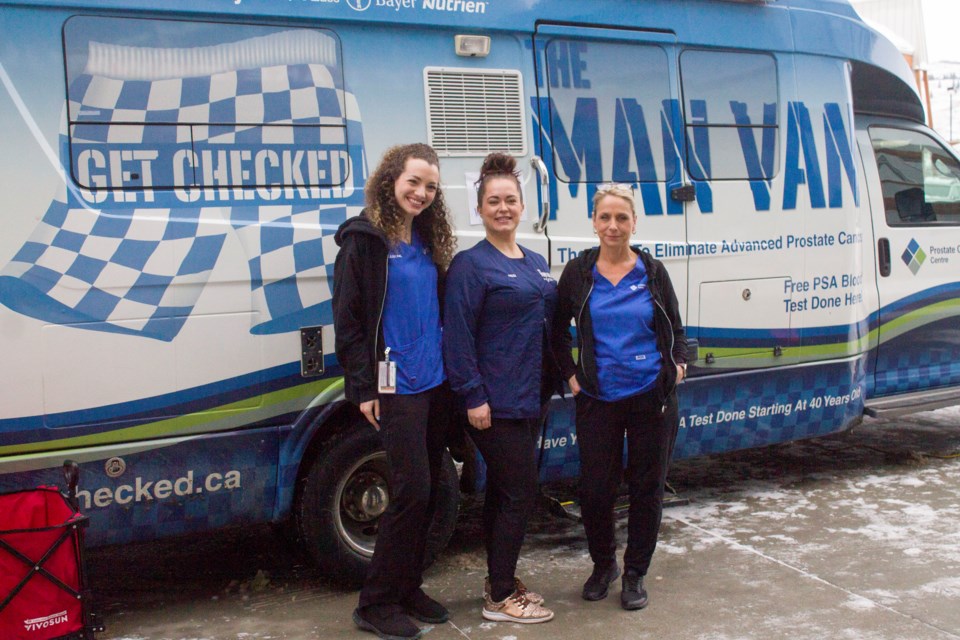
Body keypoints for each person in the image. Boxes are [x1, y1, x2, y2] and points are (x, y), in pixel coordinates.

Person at [332, 143, 456, 640]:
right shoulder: (363, 241)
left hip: (433, 381)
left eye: (430, 186)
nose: (422, 193)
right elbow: (349, 321)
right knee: (412, 490)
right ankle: (375, 601)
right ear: (391, 179)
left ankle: (407, 586)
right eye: (414, 182)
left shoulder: (426, 238)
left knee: (432, 490)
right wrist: (363, 386)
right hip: (395, 386)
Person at [551, 183, 688, 611]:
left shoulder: (652, 271)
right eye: (605, 217)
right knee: (595, 490)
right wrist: (571, 377)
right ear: (594, 223)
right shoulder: (578, 273)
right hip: (597, 398)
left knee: (647, 489)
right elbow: (555, 332)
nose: (613, 226)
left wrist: (678, 366)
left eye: (622, 218)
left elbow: (677, 330)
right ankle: (603, 565)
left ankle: (635, 574)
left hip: (652, 397)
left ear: (634, 223)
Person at [443, 152, 557, 624]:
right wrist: (473, 395)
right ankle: (501, 597)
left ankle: (498, 578)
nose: (503, 207)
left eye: (510, 199)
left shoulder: (535, 261)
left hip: (532, 397)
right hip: (495, 402)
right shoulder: (471, 265)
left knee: (503, 492)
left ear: (523, 204)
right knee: (519, 491)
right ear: (481, 209)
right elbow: (458, 334)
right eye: (494, 201)